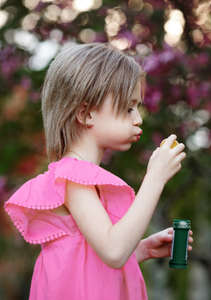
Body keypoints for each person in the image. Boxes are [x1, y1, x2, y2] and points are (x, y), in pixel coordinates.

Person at [3, 42, 192, 300]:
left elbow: (91, 256)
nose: (138, 118)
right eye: (128, 108)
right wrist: (154, 178)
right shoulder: (73, 179)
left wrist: (141, 249)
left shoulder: (85, 179)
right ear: (86, 113)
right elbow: (114, 251)